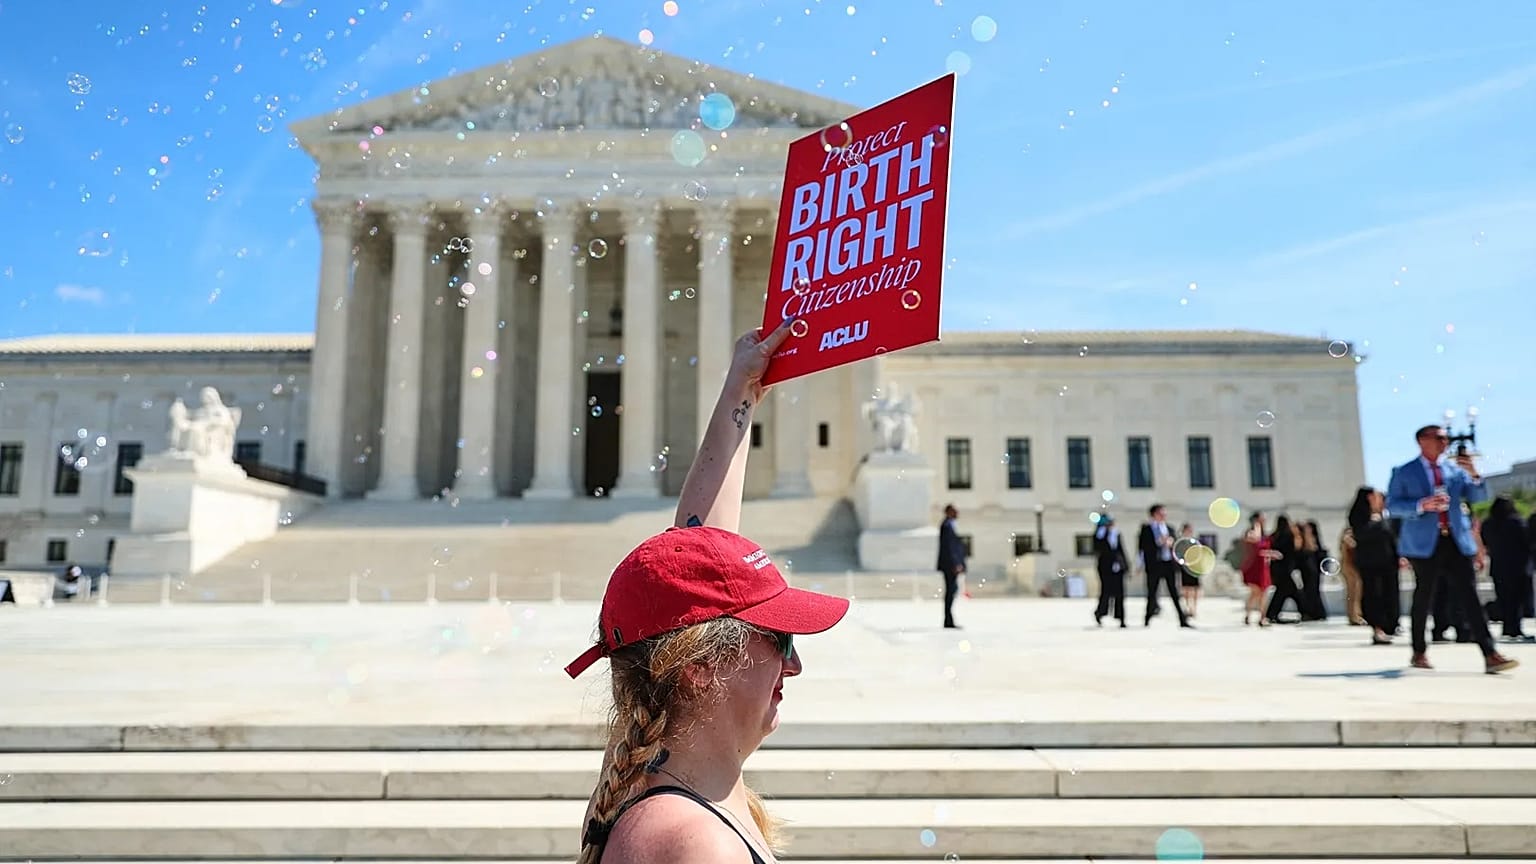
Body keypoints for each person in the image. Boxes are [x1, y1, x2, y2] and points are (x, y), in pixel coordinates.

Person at [569, 319, 853, 864]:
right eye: (780, 639)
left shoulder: (666, 791)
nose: (794, 667)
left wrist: (740, 392)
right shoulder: (690, 840)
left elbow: (696, 556)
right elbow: (696, 576)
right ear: (699, 667)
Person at [1385, 424, 1517, 673]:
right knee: (1424, 597)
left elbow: (1478, 498)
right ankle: (1419, 651)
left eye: (1445, 438)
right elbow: (1392, 505)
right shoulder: (1404, 471)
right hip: (1424, 544)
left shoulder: (1453, 471)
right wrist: (1422, 505)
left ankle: (1490, 653)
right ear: (1422, 441)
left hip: (1455, 540)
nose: (1445, 442)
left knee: (1470, 596)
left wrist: (1475, 475)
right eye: (1440, 438)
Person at [1345, 486, 1400, 645]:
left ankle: (1389, 625)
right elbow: (1363, 535)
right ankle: (1377, 628)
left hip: (1388, 562)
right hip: (1370, 563)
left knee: (1390, 594)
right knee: (1374, 595)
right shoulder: (1360, 518)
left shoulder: (1385, 517)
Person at [1480, 495, 1532, 642]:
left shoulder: (1488, 524)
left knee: (1503, 598)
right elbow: (1526, 540)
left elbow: (1485, 541)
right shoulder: (1516, 522)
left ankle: (1507, 627)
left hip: (1498, 566)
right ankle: (1514, 628)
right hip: (1518, 566)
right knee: (1517, 599)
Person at [1138, 504, 1191, 628]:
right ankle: (1147, 618)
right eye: (1161, 512)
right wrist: (1158, 543)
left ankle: (1182, 619)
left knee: (1174, 592)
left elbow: (1176, 545)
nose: (1164, 514)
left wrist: (1171, 543)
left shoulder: (1169, 528)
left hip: (1168, 564)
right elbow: (1143, 548)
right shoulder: (1146, 529)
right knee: (1152, 592)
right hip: (1154, 565)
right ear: (1154, 514)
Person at [1240, 512, 1281, 626]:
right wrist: (1271, 553)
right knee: (1255, 592)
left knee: (1263, 593)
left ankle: (1261, 617)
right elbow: (1256, 547)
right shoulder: (1251, 533)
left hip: (1263, 567)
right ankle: (1251, 615)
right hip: (1253, 567)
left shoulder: (1263, 534)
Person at [1093, 514, 1130, 628]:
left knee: (1120, 593)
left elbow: (1121, 550)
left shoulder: (1116, 534)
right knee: (1106, 592)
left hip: (1118, 567)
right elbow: (1097, 548)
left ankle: (1121, 617)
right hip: (1106, 567)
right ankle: (1100, 612)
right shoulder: (1100, 534)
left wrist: (1126, 566)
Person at [936, 504, 966, 629]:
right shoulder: (947, 526)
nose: (957, 513)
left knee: (952, 591)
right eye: (954, 511)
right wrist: (956, 564)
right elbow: (950, 548)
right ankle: (948, 620)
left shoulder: (949, 525)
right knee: (950, 591)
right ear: (949, 512)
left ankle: (949, 619)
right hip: (949, 566)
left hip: (949, 565)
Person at [1177, 522, 1201, 619]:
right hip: (1185, 567)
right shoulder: (1181, 543)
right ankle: (1187, 606)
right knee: (1186, 588)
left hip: (1194, 567)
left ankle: (1194, 608)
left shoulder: (1195, 542)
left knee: (1195, 588)